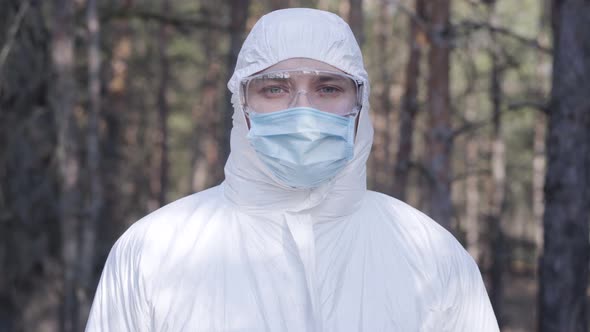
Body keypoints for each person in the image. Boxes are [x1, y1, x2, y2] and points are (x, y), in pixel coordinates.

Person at [85, 8, 499, 332]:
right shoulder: (155, 251)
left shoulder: (431, 254)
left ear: (361, 104)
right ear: (241, 104)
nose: (303, 110)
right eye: (275, 88)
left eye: (329, 88)